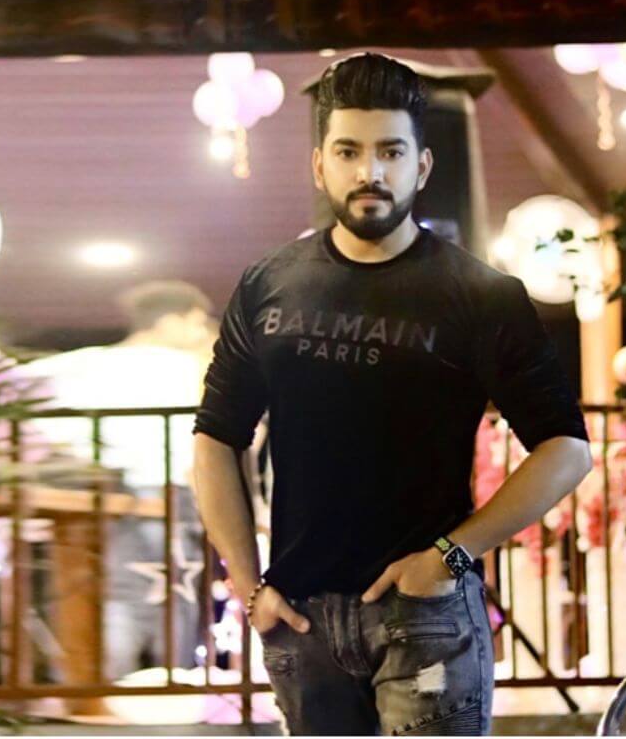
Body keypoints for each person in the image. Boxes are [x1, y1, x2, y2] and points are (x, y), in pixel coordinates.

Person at [189, 52, 592, 735]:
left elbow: (567, 450)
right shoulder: (268, 285)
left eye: (390, 152)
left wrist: (450, 557)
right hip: (301, 618)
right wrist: (248, 585)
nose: (369, 172)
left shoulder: (481, 296)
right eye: (348, 151)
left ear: (422, 167)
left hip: (426, 614)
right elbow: (215, 438)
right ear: (319, 165)